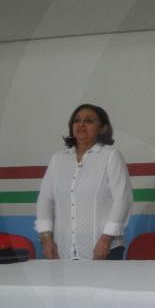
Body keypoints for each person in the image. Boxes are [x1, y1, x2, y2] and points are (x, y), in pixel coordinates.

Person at [35, 104, 132, 260]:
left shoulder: (110, 155)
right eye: (77, 120)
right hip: (63, 249)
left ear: (102, 128)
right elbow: (45, 200)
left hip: (103, 249)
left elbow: (122, 200)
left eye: (89, 121)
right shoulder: (58, 159)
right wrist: (46, 239)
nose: (81, 124)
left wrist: (105, 240)